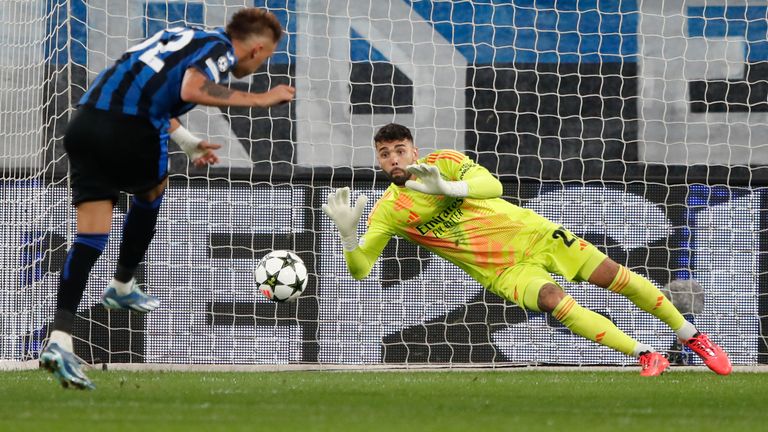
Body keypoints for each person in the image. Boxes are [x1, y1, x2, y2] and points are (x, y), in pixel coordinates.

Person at [322, 123, 732, 377]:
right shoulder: (388, 211)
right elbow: (360, 270)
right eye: (384, 154)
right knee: (555, 301)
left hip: (534, 234)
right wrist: (346, 236)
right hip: (503, 271)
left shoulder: (444, 162)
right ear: (378, 161)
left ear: (413, 150)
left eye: (399, 150)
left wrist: (447, 188)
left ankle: (694, 337)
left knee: (615, 277)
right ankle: (646, 354)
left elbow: (493, 187)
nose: (393, 159)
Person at [40, 7, 295, 389]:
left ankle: (59, 337)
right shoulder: (221, 50)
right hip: (129, 129)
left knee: (91, 234)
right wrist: (261, 98)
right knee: (154, 190)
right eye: (268, 57)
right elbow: (191, 89)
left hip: (85, 125)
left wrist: (188, 142)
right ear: (257, 49)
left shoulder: (180, 35)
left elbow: (152, 89)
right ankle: (123, 284)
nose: (262, 64)